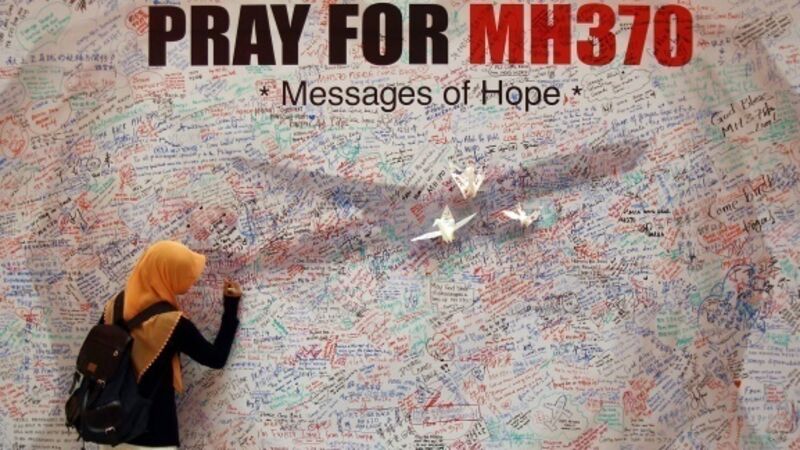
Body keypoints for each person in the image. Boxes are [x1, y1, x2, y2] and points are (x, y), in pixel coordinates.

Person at [97, 240, 241, 449]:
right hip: (155, 434)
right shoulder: (172, 323)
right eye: (185, 275)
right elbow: (216, 358)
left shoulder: (113, 308)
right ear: (168, 274)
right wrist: (231, 306)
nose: (192, 282)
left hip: (112, 429)